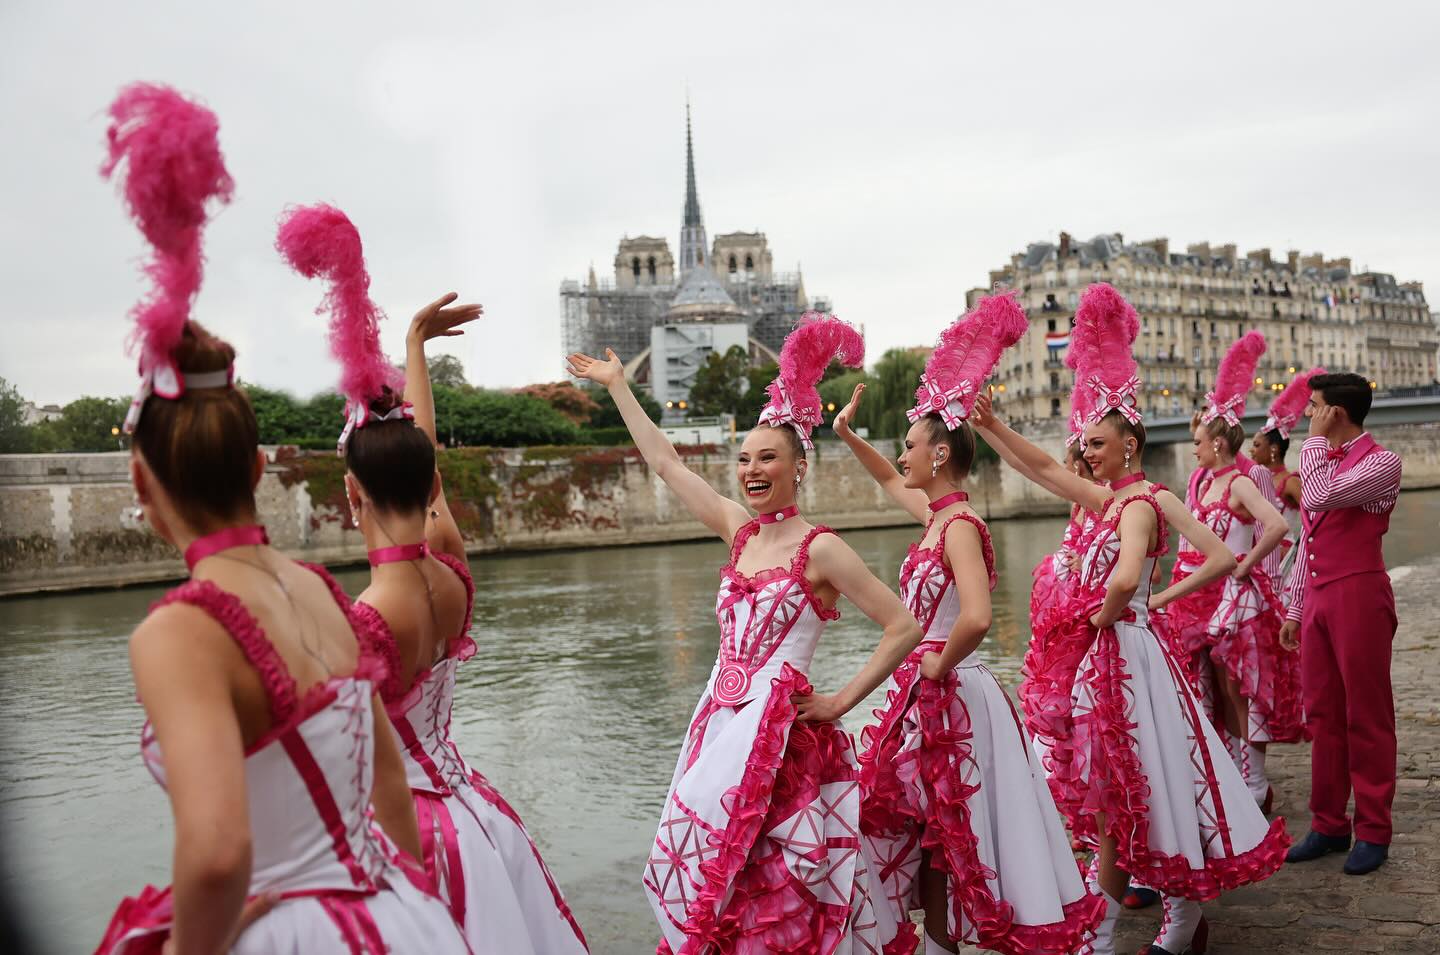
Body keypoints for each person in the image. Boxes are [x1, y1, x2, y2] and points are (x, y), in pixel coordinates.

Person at [95, 84, 468, 954]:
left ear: (143, 487)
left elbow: (220, 852)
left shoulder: (178, 631)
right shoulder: (318, 589)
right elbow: (386, 781)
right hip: (393, 910)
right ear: (260, 468)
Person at [277, 202, 588, 952]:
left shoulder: (364, 617)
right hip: (476, 817)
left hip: (416, 833)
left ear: (350, 494)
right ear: (427, 481)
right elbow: (425, 450)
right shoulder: (450, 566)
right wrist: (411, 345)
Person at [567, 313, 923, 954]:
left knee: (784, 882)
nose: (751, 470)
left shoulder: (823, 550)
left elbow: (903, 626)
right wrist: (619, 384)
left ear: (798, 468)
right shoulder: (739, 530)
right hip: (719, 726)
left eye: (767, 458)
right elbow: (665, 463)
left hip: (786, 742)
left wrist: (842, 700)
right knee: (715, 874)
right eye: (744, 459)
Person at [971, 283, 1288, 955]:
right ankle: (1169, 916)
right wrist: (991, 427)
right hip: (1111, 653)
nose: (1084, 453)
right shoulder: (1107, 499)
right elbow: (1042, 470)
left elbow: (1157, 568)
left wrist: (1128, 607)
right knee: (1131, 786)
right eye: (1085, 444)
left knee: (1141, 782)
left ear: (1129, 444)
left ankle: (1140, 924)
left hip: (1126, 656)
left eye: (1094, 443)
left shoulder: (1144, 503)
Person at [833, 293, 1104, 955]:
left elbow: (979, 616)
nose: (902, 454)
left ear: (940, 453)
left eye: (911, 444)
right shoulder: (934, 517)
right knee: (925, 823)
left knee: (959, 825)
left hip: (952, 689)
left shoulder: (959, 526)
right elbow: (884, 478)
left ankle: (948, 941)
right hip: (924, 688)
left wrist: (935, 661)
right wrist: (845, 434)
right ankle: (937, 944)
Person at [1159, 333, 1296, 810]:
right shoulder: (1201, 482)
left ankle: (1255, 781)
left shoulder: (1238, 481)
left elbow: (1278, 526)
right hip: (1199, 599)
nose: (1192, 447)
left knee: (1242, 689)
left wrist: (1246, 566)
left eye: (1197, 441)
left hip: (1232, 602)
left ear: (1217, 443)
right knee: (1212, 689)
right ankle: (1234, 775)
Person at [1279, 372, 1402, 877]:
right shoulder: (1326, 460)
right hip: (1322, 596)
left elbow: (1320, 497)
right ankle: (1329, 824)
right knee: (1323, 715)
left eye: (1315, 407)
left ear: (1337, 413)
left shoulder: (1382, 463)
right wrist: (1295, 608)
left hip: (1359, 593)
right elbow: (1308, 539)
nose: (1310, 414)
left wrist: (1311, 442)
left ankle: (1373, 829)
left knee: (1366, 715)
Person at [1250, 368, 1326, 594]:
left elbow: (1315, 518)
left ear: (1273, 449)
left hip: (1284, 565)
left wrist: (1298, 552)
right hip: (1259, 557)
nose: (1251, 451)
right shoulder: (1254, 479)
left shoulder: (1291, 482)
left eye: (1256, 445)